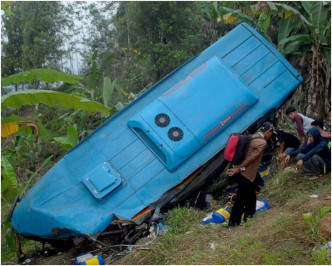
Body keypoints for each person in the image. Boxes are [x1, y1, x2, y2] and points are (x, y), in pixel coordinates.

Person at [226, 122, 273, 226]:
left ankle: (250, 218)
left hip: (247, 172)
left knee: (251, 196)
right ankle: (233, 223)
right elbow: (251, 158)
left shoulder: (252, 136)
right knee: (240, 199)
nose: (271, 136)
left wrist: (236, 168)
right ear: (268, 131)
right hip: (245, 173)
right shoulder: (262, 142)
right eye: (271, 133)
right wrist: (239, 169)